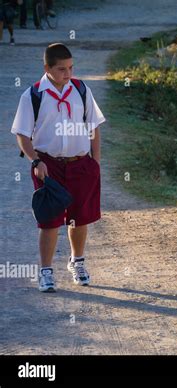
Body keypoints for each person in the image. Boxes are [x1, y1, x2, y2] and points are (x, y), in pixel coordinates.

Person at [11, 43, 106, 292]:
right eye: (62, 69)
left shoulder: (82, 90)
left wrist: (95, 162)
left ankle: (77, 262)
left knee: (79, 217)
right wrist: (35, 161)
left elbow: (94, 126)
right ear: (47, 68)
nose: (68, 74)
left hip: (80, 163)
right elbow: (22, 134)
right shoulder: (33, 95)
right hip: (48, 165)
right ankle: (45, 270)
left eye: (71, 68)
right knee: (50, 221)